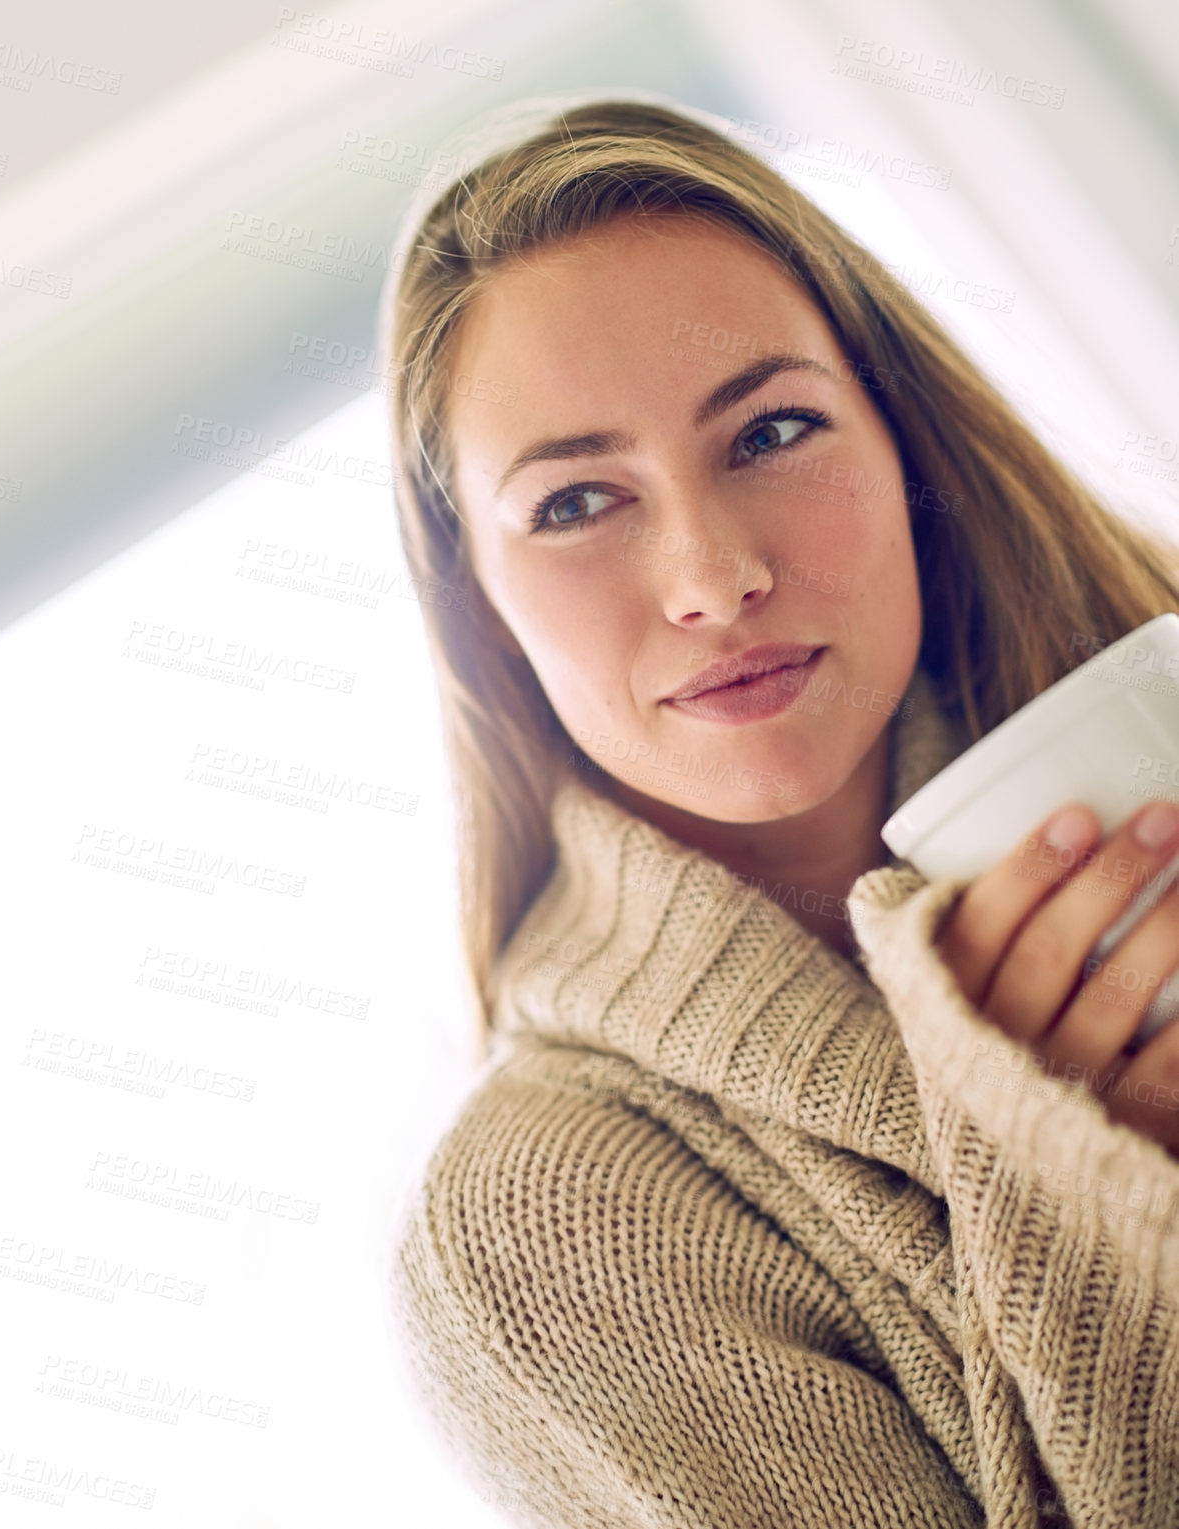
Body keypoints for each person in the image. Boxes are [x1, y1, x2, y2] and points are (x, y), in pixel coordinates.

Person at [380, 91, 1179, 1527]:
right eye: (573, 504)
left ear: (903, 447)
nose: (710, 574)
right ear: (478, 609)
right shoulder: (543, 1226)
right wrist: (1089, 1195)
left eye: (771, 431)